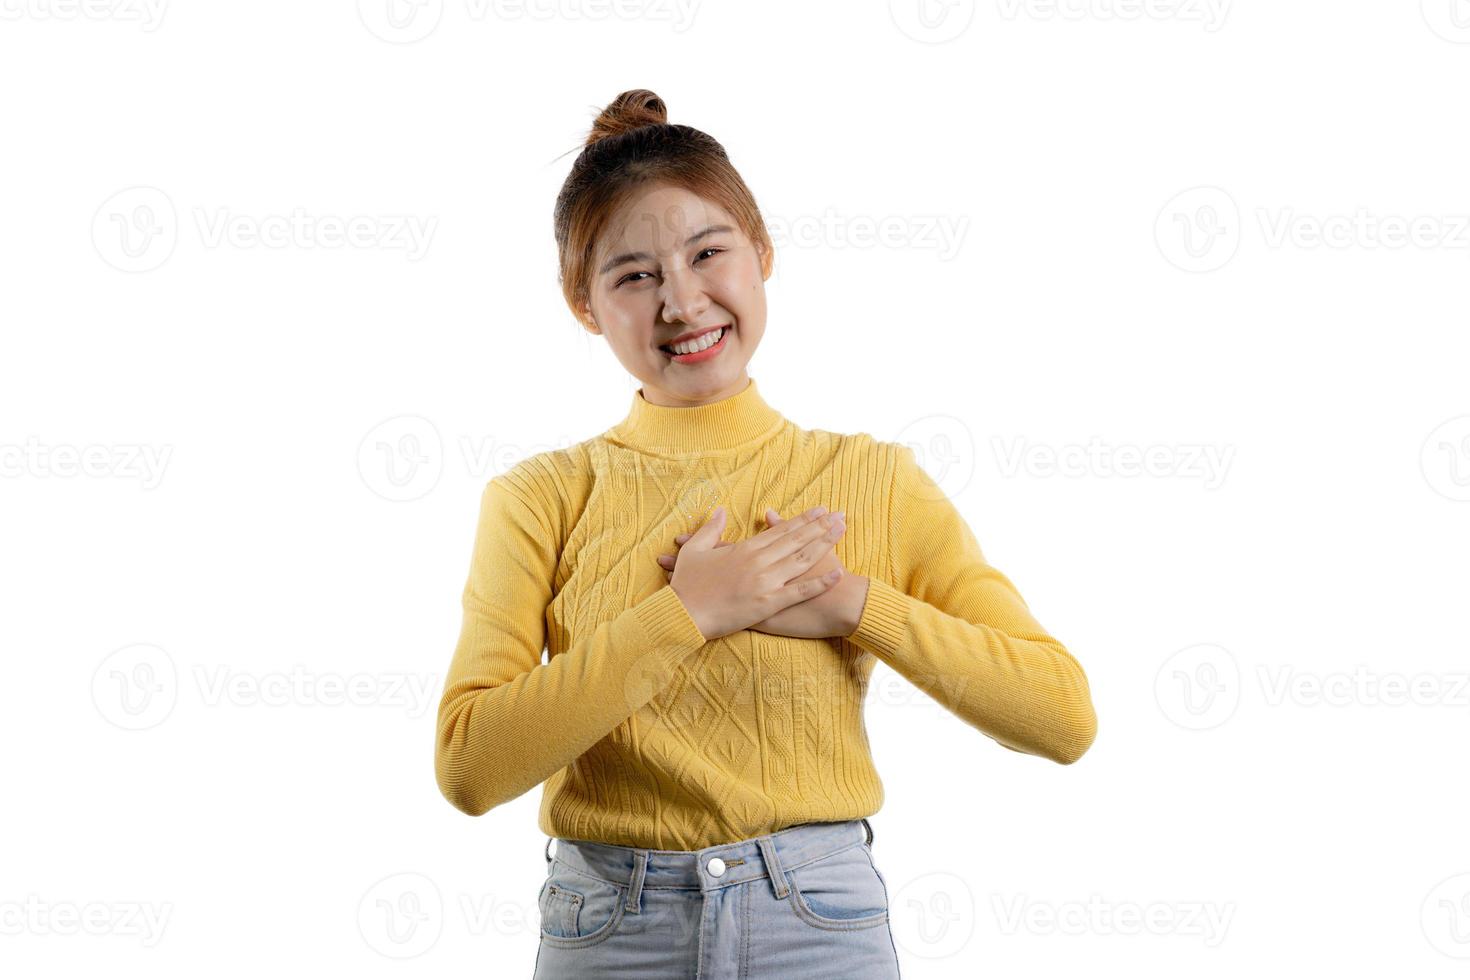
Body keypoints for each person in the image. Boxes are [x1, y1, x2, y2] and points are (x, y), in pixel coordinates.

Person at [433, 88, 1097, 979]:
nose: (681, 301)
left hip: (816, 920)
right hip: (608, 928)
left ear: (763, 254)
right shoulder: (541, 497)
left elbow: (1061, 716)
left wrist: (857, 607)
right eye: (633, 276)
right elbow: (471, 767)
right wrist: (686, 615)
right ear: (583, 305)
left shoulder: (873, 480)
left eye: (709, 253)